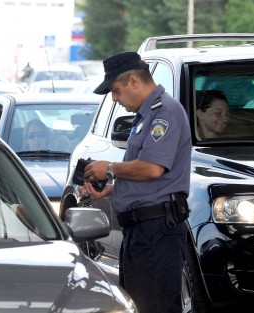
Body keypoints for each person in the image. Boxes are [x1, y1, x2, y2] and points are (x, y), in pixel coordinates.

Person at [81, 51, 191, 313]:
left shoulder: (164, 112)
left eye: (116, 91)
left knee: (154, 306)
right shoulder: (146, 116)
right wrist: (114, 188)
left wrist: (108, 168)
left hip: (156, 230)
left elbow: (152, 169)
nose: (115, 99)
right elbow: (148, 176)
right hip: (142, 230)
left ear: (133, 80)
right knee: (139, 304)